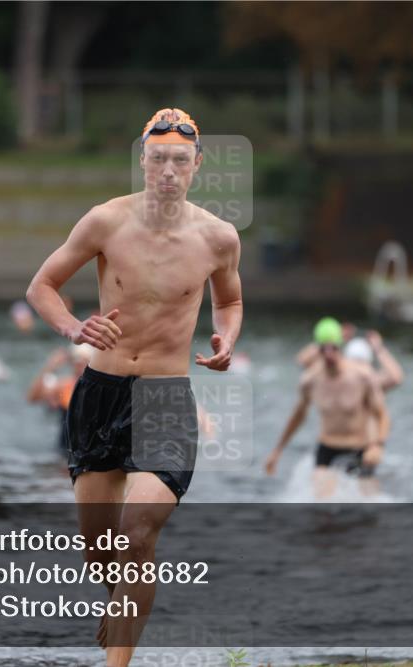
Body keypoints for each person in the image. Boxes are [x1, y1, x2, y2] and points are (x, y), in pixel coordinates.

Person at [25, 107, 243, 667]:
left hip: (165, 399)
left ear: (197, 164)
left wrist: (225, 339)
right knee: (100, 551)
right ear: (142, 161)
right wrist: (74, 328)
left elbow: (230, 300)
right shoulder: (105, 221)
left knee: (137, 534)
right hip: (101, 392)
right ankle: (127, 601)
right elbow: (42, 286)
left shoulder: (218, 237)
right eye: (157, 159)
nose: (168, 171)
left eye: (179, 161)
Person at [265, 317, 389, 499]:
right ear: (318, 350)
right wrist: (277, 451)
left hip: (360, 449)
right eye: (324, 349)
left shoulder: (362, 377)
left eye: (334, 348)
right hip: (327, 448)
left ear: (341, 347)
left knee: (368, 506)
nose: (329, 354)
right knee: (323, 505)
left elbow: (382, 414)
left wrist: (377, 446)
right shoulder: (310, 381)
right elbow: (298, 416)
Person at [27, 344, 93, 456]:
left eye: (84, 361)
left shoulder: (98, 388)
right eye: (77, 361)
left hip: (90, 450)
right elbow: (32, 398)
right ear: (71, 363)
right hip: (64, 449)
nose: (80, 365)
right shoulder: (63, 386)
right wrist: (50, 367)